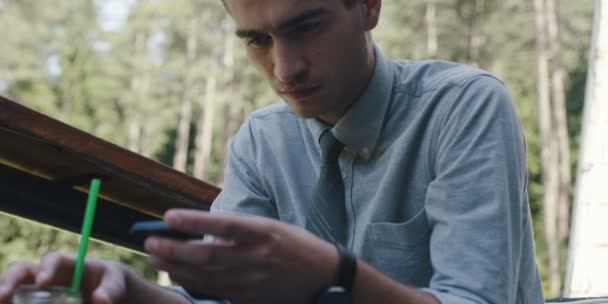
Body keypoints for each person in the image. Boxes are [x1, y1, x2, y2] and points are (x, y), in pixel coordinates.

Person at [0, 0, 545, 303]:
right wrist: (132, 296)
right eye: (257, 41)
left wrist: (336, 274)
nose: (285, 72)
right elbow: (220, 303)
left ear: (369, 6)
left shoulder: (463, 107)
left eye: (305, 28)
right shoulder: (262, 142)